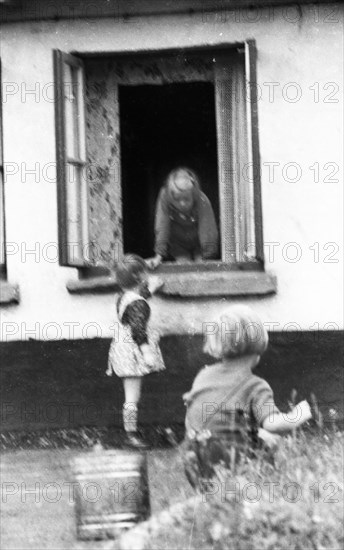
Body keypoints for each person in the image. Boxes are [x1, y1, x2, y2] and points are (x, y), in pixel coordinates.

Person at [182, 305, 312, 487]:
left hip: (195, 462)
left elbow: (191, 414)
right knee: (270, 439)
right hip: (232, 465)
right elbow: (273, 424)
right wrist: (298, 415)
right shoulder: (255, 385)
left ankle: (214, 495)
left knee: (252, 433)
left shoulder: (203, 375)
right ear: (258, 346)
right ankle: (262, 490)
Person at [106, 254, 165, 449]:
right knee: (132, 396)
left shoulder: (124, 297)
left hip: (121, 349)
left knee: (131, 394)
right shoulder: (137, 303)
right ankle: (130, 434)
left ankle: (131, 431)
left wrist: (151, 290)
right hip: (132, 352)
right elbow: (138, 329)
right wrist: (147, 353)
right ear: (141, 277)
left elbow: (136, 302)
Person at [146, 167, 219, 269]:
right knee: (184, 267)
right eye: (177, 199)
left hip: (200, 244)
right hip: (177, 244)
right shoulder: (165, 197)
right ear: (171, 196)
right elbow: (162, 225)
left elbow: (207, 230)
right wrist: (159, 255)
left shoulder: (202, 200)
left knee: (201, 267)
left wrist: (207, 255)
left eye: (186, 199)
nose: (182, 204)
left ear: (193, 195)